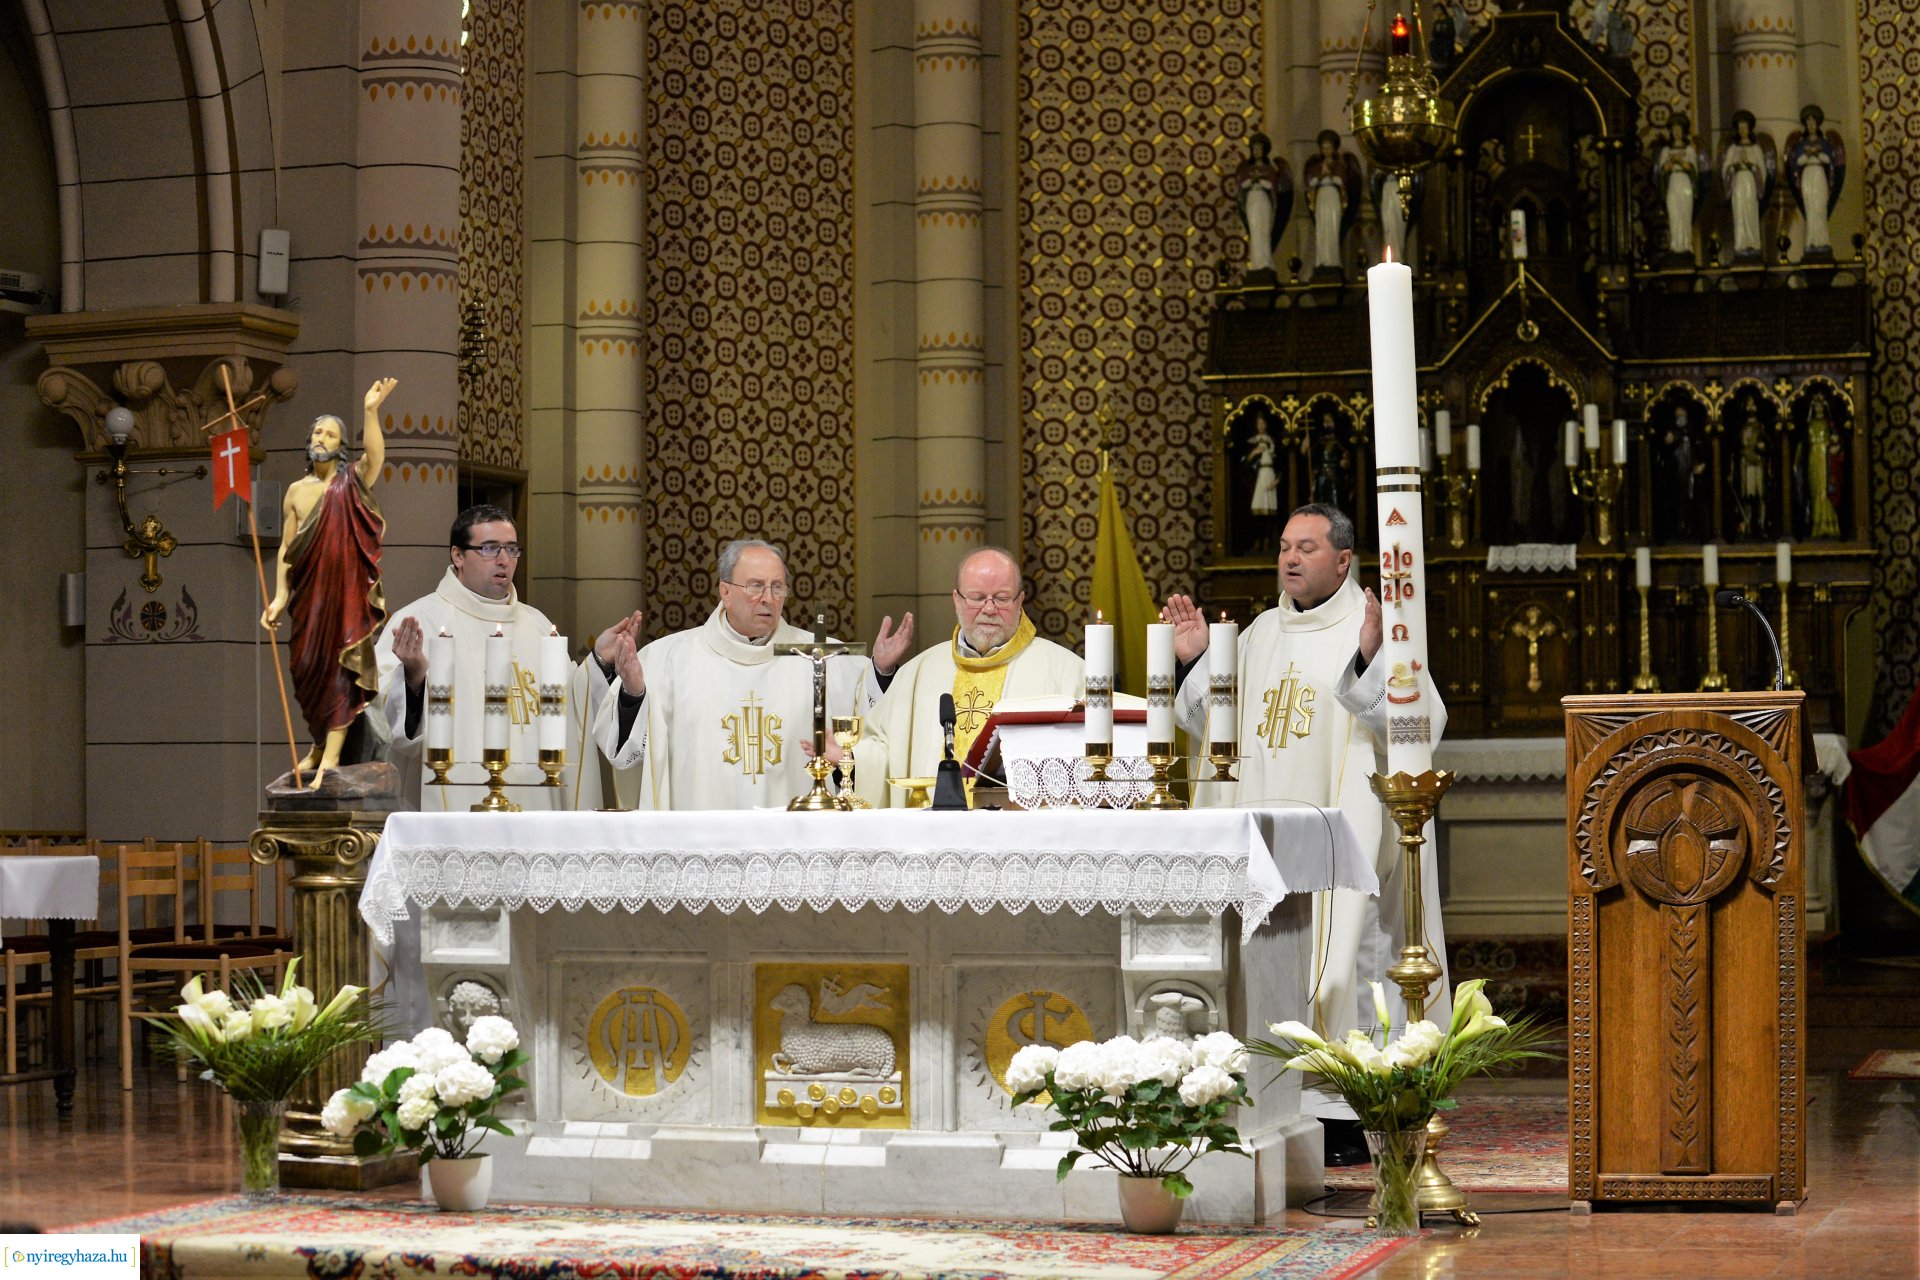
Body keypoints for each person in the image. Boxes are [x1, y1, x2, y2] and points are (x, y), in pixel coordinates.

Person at [1163, 503, 1448, 1160]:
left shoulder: (1371, 628)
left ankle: (1342, 1113)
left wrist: (1375, 663)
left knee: (1342, 968)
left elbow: (1421, 727)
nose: (1290, 558)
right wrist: (1198, 660)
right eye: (1285, 547)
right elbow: (1210, 725)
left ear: (1344, 560)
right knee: (1260, 967)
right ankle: (1262, 1103)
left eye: (1308, 548)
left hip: (1340, 845)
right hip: (1261, 842)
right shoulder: (1259, 631)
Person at [591, 539, 882, 809]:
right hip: (700, 843)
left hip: (795, 842)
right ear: (725, 591)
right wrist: (632, 694)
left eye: (777, 587)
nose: (768, 598)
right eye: (756, 586)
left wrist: (882, 672)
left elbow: (876, 729)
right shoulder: (667, 659)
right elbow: (621, 752)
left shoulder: (823, 658)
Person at [375, 503, 629, 812]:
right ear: (458, 556)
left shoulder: (536, 624)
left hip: (536, 805)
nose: (504, 560)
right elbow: (381, 727)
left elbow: (568, 706)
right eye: (489, 549)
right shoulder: (418, 622)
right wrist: (414, 677)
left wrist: (599, 662)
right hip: (455, 811)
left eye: (511, 549)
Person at [853, 547, 1084, 805]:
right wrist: (849, 757)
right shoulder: (919, 671)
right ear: (957, 600)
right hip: (933, 835)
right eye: (976, 597)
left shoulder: (1066, 672)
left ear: (1020, 601)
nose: (989, 608)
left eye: (1002, 598)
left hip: (1020, 836)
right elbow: (882, 749)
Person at [261, 378, 397, 789]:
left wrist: (370, 412)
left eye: (331, 433)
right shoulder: (296, 492)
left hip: (344, 600)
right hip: (308, 600)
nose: (321, 438)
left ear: (341, 446)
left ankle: (331, 759)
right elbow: (287, 549)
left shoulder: (348, 484)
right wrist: (281, 597)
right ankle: (320, 743)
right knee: (307, 670)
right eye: (318, 431)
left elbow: (374, 459)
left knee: (340, 673)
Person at [1787, 104, 1844, 257]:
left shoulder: (1824, 143)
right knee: (1810, 208)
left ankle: (1822, 241)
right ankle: (1811, 241)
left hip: (1819, 175)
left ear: (1818, 124)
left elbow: (1830, 160)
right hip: (1807, 176)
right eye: (1808, 122)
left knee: (1820, 207)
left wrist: (1817, 153)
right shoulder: (1801, 144)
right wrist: (1808, 154)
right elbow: (1797, 162)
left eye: (1813, 122)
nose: (1811, 125)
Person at [1231, 133, 1290, 279]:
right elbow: (1243, 185)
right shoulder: (1247, 170)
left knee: (1263, 231)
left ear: (1264, 151)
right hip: (1252, 201)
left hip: (1263, 201)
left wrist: (1258, 181)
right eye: (1254, 148)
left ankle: (1265, 262)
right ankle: (1256, 263)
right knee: (1255, 232)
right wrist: (1253, 180)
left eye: (1259, 148)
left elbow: (1271, 186)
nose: (1257, 151)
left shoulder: (1269, 169)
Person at [1304, 130, 1356, 274]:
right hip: (1322, 197)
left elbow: (1341, 182)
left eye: (1329, 147)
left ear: (1334, 149)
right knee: (1322, 227)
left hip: (1333, 196)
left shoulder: (1339, 166)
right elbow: (1311, 182)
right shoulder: (1316, 167)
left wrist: (1331, 175)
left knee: (1333, 226)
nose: (1326, 150)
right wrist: (1321, 175)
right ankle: (1321, 260)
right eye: (1324, 147)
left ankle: (1333, 260)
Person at [1721, 111, 1770, 261]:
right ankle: (1741, 244)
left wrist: (1751, 166)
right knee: (1739, 211)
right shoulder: (1732, 150)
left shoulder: (1755, 149)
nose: (1743, 130)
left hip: (1750, 182)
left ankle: (1753, 244)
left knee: (1750, 211)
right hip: (1738, 183)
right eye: (1740, 127)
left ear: (1749, 129)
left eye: (1745, 127)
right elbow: (1725, 169)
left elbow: (1762, 170)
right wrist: (1733, 167)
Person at [1656, 114, 1702, 259]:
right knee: (1674, 213)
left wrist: (1679, 161)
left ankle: (1686, 245)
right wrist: (1670, 164)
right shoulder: (1666, 151)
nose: (1676, 133)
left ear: (1683, 131)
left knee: (1685, 213)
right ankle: (1675, 245)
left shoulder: (1689, 150)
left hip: (1685, 183)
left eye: (1679, 130)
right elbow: (1662, 170)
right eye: (1674, 130)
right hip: (1673, 182)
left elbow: (1692, 168)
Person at [1246, 412, 1280, 519]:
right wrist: (1253, 453)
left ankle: (1268, 534)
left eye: (1263, 423)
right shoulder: (1252, 441)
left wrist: (1278, 478)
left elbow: (1279, 462)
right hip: (1258, 475)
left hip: (1270, 474)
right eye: (1258, 423)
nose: (1261, 426)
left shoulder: (1272, 441)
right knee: (1257, 505)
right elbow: (1245, 463)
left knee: (1269, 506)